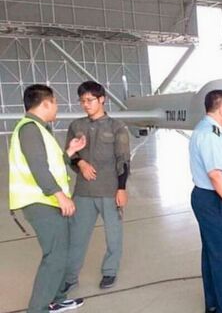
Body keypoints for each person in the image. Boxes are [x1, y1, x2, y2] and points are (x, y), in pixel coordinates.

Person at [8, 84, 86, 313]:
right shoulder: (30, 129)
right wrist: (60, 196)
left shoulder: (40, 129)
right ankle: (38, 308)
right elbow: (38, 168)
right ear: (45, 103)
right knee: (55, 256)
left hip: (47, 200)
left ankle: (56, 298)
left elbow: (51, 164)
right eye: (55, 102)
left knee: (60, 253)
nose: (57, 107)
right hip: (40, 202)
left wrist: (69, 152)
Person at [61, 81, 131, 292]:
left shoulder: (117, 127)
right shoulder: (76, 126)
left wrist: (121, 188)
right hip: (83, 191)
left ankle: (109, 271)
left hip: (110, 190)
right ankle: (70, 277)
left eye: (90, 100)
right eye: (82, 101)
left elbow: (124, 160)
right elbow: (69, 155)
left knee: (114, 235)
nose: (86, 104)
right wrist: (80, 163)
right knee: (76, 236)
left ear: (102, 99)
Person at [189, 90, 222, 313]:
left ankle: (216, 304)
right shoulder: (210, 134)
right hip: (215, 200)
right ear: (221, 109)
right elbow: (215, 175)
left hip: (209, 198)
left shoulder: (213, 130)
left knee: (214, 253)